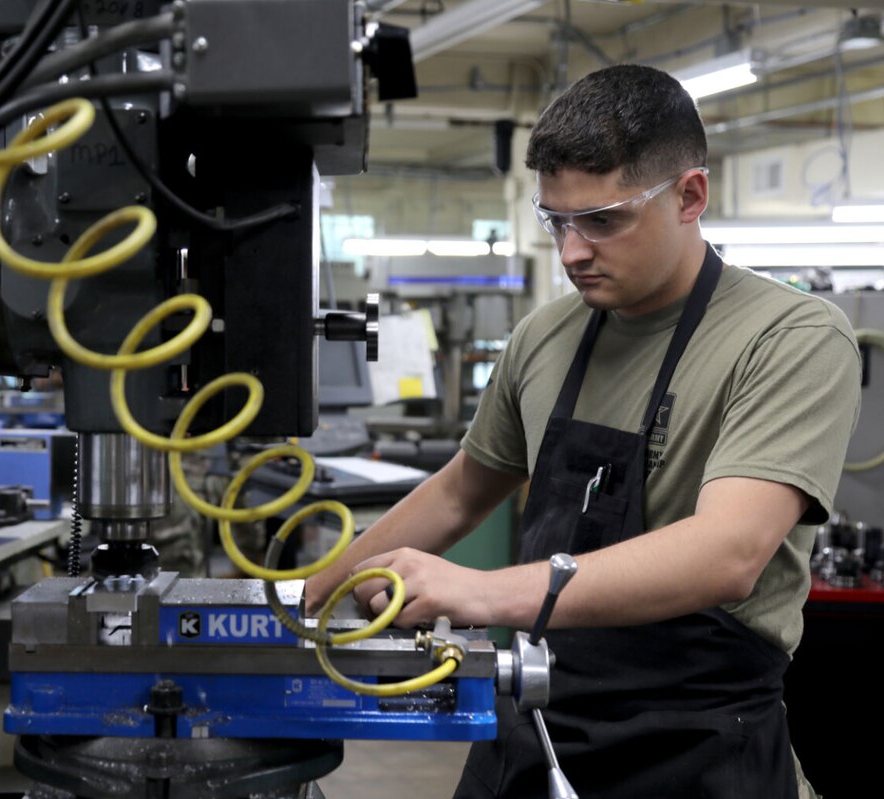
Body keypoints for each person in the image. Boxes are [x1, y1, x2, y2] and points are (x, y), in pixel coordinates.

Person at [304, 64, 861, 798]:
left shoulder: (789, 337)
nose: (570, 252)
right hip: (536, 732)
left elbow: (728, 552)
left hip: (698, 750)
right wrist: (309, 595)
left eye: (602, 220)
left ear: (690, 195)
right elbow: (463, 489)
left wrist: (480, 591)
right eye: (556, 221)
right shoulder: (546, 335)